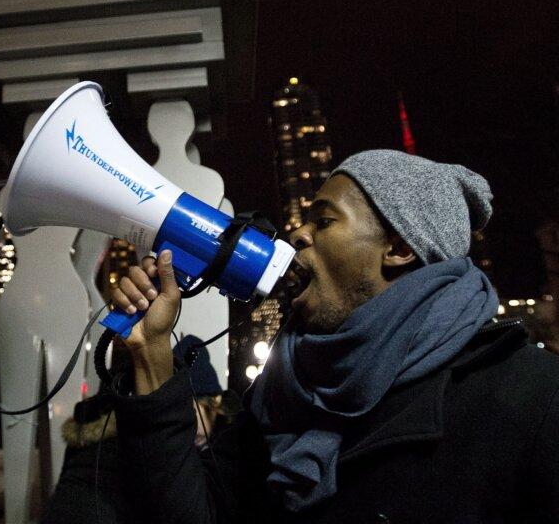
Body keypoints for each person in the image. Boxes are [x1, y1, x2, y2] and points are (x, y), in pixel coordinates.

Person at [107, 150, 559, 523]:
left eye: (323, 221)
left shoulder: (531, 397)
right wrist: (152, 355)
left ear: (400, 247)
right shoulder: (280, 397)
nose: (298, 234)